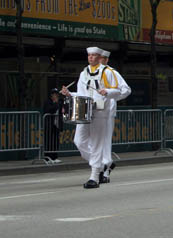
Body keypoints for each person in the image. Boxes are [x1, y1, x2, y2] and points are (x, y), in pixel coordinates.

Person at [61, 46, 122, 189]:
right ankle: (103, 164)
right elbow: (82, 93)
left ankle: (94, 177)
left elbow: (120, 91)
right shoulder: (84, 73)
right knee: (79, 141)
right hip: (85, 110)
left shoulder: (108, 72)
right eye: (89, 55)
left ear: (100, 57)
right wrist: (70, 94)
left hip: (101, 111)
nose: (91, 57)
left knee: (97, 144)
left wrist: (107, 92)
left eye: (94, 55)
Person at [98, 49, 131, 183]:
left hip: (107, 111)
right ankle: (105, 165)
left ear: (106, 60)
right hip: (94, 111)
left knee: (105, 141)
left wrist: (111, 97)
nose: (98, 60)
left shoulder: (112, 72)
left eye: (101, 58)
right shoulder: (90, 73)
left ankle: (104, 170)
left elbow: (126, 90)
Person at [42, 88, 63, 162]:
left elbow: (60, 111)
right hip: (49, 124)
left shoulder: (59, 102)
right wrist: (55, 103)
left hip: (56, 124)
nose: (56, 95)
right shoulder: (47, 102)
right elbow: (49, 110)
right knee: (49, 141)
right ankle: (47, 157)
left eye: (56, 94)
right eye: (54, 94)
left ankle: (54, 157)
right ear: (51, 95)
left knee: (55, 141)